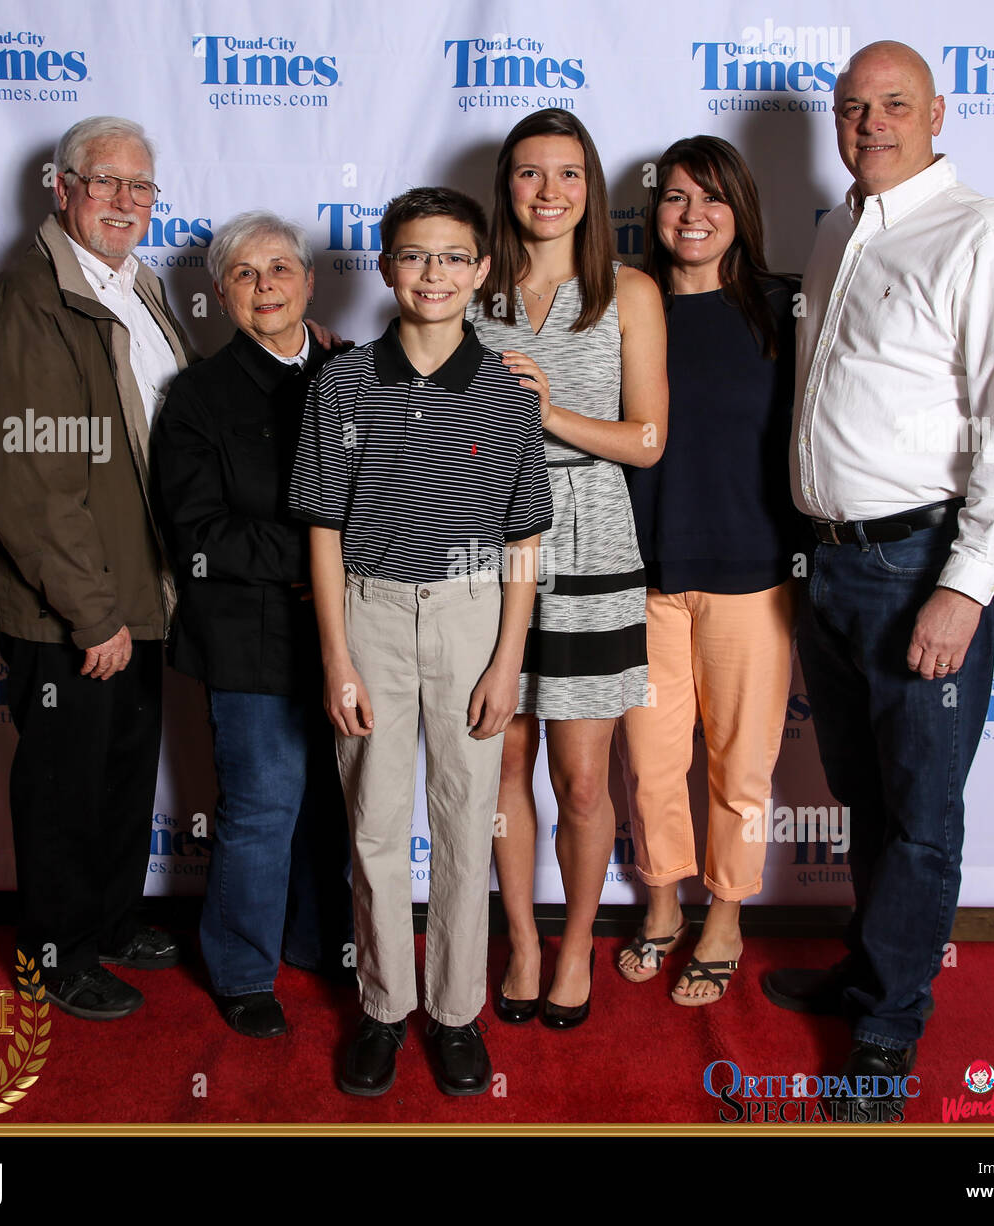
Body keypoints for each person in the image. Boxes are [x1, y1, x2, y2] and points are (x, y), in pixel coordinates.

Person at [762, 41, 994, 1111]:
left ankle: (886, 1029)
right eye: (851, 106)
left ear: (937, 111)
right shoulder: (839, 228)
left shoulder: (983, 234)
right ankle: (866, 967)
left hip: (920, 565)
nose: (869, 122)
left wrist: (963, 586)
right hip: (835, 564)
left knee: (923, 813)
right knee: (865, 794)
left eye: (892, 104)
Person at [289, 187, 552, 1095]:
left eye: (451, 257)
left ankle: (453, 1010)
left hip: (475, 613)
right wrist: (336, 654)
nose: (432, 274)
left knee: (464, 823)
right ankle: (382, 1005)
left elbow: (525, 536)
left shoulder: (511, 389)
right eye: (412, 255)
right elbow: (322, 525)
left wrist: (509, 655)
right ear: (387, 266)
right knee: (371, 824)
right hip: (366, 612)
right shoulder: (344, 381)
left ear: (481, 271)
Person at [0, 116, 194, 1019]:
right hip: (72, 603)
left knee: (124, 772)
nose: (126, 203)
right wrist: (91, 613)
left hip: (139, 587)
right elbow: (31, 477)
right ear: (61, 188)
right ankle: (54, 957)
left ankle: (106, 920)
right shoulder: (31, 300)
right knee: (64, 785)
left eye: (142, 187)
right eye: (106, 183)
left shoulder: (140, 286)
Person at [470, 109, 668, 1029]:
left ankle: (578, 940)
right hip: (485, 544)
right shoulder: (471, 289)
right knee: (500, 764)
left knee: (583, 780)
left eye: (568, 174)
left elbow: (648, 439)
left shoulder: (628, 291)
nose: (548, 193)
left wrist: (548, 412)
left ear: (591, 189)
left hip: (593, 542)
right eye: (528, 174)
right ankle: (518, 938)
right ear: (505, 186)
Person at [150, 211, 353, 1039]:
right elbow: (198, 533)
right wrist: (317, 557)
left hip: (353, 633)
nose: (266, 285)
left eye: (280, 268)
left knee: (336, 805)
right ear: (222, 297)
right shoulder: (196, 396)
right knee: (263, 804)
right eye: (245, 274)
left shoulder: (356, 372)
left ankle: (317, 939)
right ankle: (241, 969)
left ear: (309, 281)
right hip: (248, 634)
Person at [615, 136, 799, 1006]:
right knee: (651, 762)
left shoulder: (783, 309)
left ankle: (725, 913)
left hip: (753, 576)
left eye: (712, 197)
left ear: (741, 211)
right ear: (653, 212)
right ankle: (661, 905)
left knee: (742, 766)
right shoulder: (622, 306)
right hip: (641, 574)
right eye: (677, 197)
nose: (693, 214)